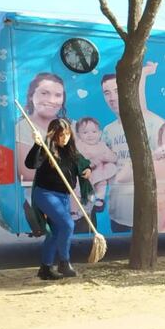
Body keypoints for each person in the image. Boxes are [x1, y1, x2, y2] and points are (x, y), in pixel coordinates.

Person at [25, 118, 91, 280]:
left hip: (63, 197)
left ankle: (45, 269)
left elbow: (84, 164)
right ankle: (64, 262)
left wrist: (87, 170)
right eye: (61, 135)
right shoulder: (46, 149)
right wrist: (37, 145)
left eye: (67, 134)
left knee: (55, 233)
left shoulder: (72, 152)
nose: (64, 138)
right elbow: (30, 164)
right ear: (53, 135)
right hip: (45, 194)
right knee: (67, 224)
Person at [100, 70, 164, 232]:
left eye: (117, 90)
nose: (112, 97)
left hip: (146, 210)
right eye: (107, 93)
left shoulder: (154, 123)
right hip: (118, 211)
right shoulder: (108, 130)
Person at [16, 72, 67, 182]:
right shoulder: (23, 127)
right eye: (44, 93)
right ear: (31, 96)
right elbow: (27, 173)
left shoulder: (71, 126)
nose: (52, 100)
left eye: (58, 95)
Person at [74, 117, 118, 211]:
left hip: (99, 172)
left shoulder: (102, 145)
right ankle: (83, 200)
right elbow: (77, 159)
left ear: (100, 133)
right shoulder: (80, 145)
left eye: (94, 132)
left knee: (102, 182)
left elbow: (113, 158)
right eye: (85, 132)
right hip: (85, 174)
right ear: (78, 135)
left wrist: (106, 157)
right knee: (79, 186)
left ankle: (99, 198)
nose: (90, 135)